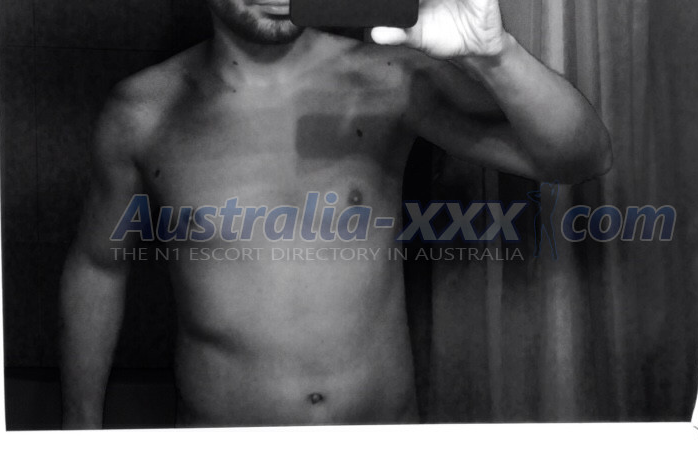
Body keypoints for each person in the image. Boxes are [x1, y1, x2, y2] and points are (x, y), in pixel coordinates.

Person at [59, 0, 612, 429]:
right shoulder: (143, 112)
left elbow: (581, 157)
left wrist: (497, 56)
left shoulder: (384, 75)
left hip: (380, 437)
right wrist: (80, 426)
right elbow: (98, 267)